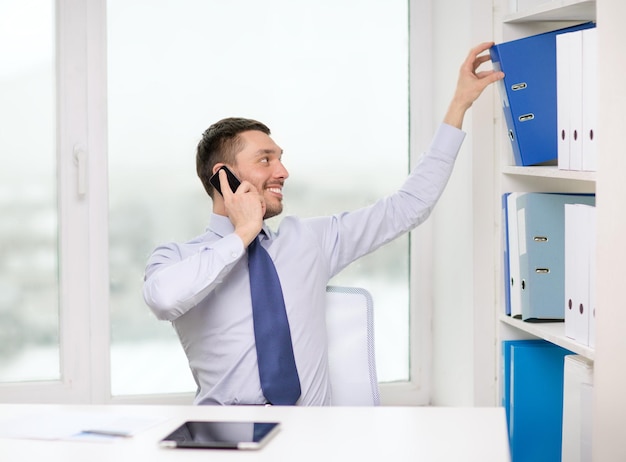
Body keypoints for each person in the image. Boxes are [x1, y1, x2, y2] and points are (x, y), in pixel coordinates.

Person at [142, 42, 504, 406]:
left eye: (280, 159)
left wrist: (459, 105)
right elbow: (163, 299)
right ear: (224, 178)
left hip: (315, 437)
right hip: (224, 442)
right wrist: (242, 234)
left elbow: (409, 206)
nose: (282, 172)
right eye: (265, 160)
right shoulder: (178, 259)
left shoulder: (309, 240)